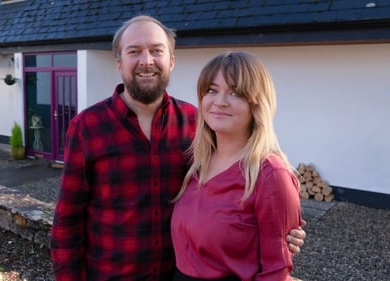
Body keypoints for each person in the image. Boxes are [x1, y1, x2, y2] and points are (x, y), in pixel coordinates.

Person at [50, 16, 305, 281]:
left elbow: (247, 198)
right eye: (134, 51)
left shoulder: (196, 124)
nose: (146, 61)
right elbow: (67, 221)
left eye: (157, 50)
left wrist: (281, 228)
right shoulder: (88, 126)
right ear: (119, 63)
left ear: (171, 61)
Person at [170, 51, 303, 281]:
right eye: (212, 90)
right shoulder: (196, 162)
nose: (220, 101)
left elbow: (275, 273)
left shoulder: (270, 175)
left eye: (235, 92)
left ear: (257, 104)